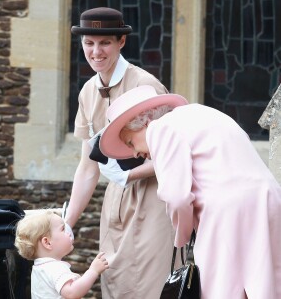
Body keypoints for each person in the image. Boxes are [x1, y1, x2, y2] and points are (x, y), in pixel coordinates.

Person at [99, 85, 281, 299]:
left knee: (223, 289)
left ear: (145, 121)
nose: (136, 153)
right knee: (265, 285)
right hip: (269, 199)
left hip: (226, 213)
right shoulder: (202, 113)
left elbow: (177, 197)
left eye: (131, 142)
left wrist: (182, 237)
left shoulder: (160, 128)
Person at [65, 6, 175, 299]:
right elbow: (88, 167)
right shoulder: (88, 91)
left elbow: (173, 153)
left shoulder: (145, 85)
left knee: (151, 286)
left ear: (121, 42)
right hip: (115, 201)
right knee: (116, 283)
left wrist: (130, 174)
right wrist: (67, 224)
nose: (96, 51)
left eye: (105, 43)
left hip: (154, 197)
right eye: (89, 43)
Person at [15, 210, 109, 299]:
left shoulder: (39, 268)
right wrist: (93, 271)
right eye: (63, 229)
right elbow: (72, 292)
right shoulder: (54, 267)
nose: (69, 233)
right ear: (47, 242)